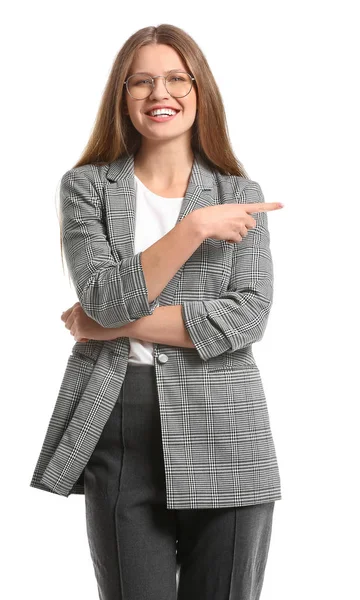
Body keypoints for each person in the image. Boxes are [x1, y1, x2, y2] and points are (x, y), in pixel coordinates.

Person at [30, 23, 284, 600]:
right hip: (120, 416)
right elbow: (103, 295)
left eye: (175, 78)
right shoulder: (87, 187)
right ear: (122, 97)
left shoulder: (240, 195)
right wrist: (193, 229)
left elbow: (247, 317)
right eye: (140, 82)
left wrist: (105, 326)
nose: (159, 93)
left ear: (200, 90)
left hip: (228, 425)